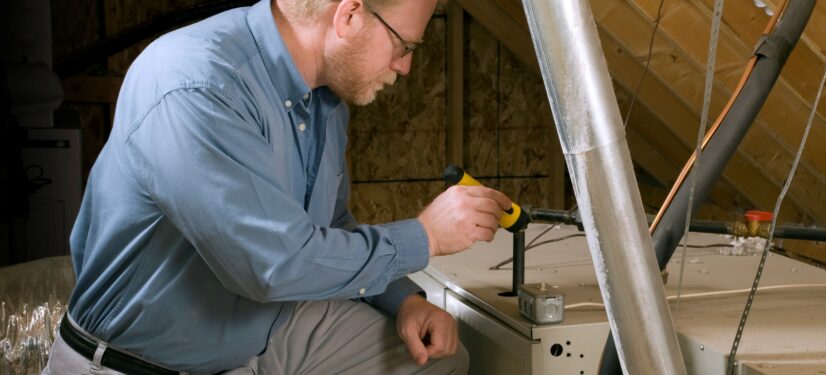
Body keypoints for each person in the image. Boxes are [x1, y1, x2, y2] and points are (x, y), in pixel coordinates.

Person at [43, 0, 512, 373]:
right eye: (404, 46)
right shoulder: (196, 84)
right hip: (141, 364)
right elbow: (272, 266)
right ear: (348, 16)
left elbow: (331, 228)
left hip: (260, 332)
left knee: (440, 361)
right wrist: (425, 236)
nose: (404, 67)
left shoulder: (324, 98)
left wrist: (403, 300)